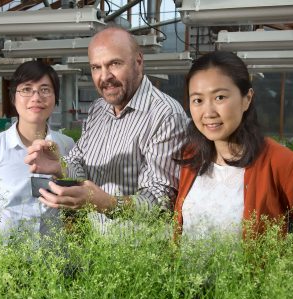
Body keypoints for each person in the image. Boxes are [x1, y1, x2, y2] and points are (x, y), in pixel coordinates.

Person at [25, 27, 188, 230]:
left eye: (114, 64)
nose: (104, 76)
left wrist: (105, 203)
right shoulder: (98, 110)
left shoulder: (165, 115)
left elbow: (161, 203)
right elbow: (81, 165)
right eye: (96, 67)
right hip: (97, 253)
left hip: (143, 256)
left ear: (138, 61)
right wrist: (60, 166)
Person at [175, 51, 293, 245]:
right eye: (197, 100)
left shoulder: (281, 162)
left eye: (220, 97)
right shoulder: (192, 156)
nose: (208, 112)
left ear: (246, 99)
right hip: (187, 276)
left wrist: (281, 270)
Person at [0, 60, 75, 244]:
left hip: (52, 261)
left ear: (56, 99)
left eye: (45, 89)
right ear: (13, 98)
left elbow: (74, 202)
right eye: (26, 89)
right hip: (2, 259)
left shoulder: (67, 145)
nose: (36, 97)